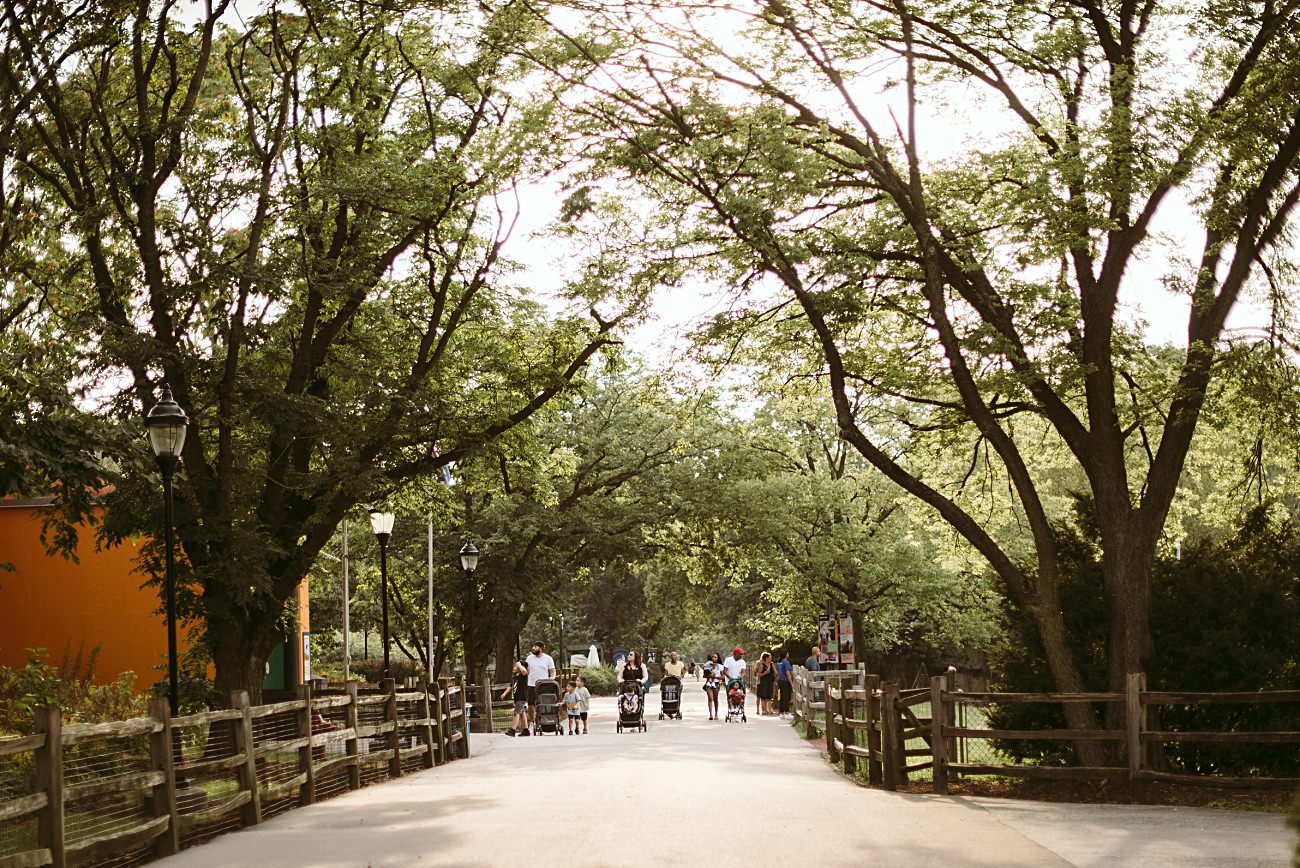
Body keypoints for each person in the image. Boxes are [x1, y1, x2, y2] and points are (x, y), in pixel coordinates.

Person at [525, 640, 557, 722]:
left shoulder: (548, 659)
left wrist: (552, 677)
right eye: (533, 646)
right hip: (531, 684)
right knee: (530, 704)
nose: (533, 648)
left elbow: (552, 671)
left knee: (543, 702)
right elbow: (526, 670)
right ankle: (532, 721)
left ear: (541, 648)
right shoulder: (529, 658)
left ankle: (544, 719)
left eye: (535, 647)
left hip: (544, 684)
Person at [499, 659, 530, 736]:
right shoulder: (515, 677)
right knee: (522, 713)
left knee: (516, 713)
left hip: (521, 697)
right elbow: (511, 686)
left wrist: (519, 664)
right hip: (517, 697)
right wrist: (504, 693)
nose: (515, 667)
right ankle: (526, 730)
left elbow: (524, 671)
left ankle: (513, 730)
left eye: (516, 666)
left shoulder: (524, 675)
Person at [702, 652, 723, 720]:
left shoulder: (720, 666)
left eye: (715, 657)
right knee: (710, 698)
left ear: (718, 658)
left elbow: (723, 677)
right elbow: (704, 676)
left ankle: (716, 714)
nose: (714, 658)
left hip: (716, 683)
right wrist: (709, 676)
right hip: (709, 683)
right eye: (713, 657)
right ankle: (711, 715)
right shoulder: (707, 665)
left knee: (715, 699)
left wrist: (717, 677)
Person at [755, 651, 776, 716]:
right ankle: (763, 710)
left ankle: (769, 710)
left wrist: (775, 678)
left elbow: (775, 672)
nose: (770, 659)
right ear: (766, 658)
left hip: (770, 682)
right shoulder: (761, 664)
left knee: (769, 696)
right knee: (763, 696)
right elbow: (758, 674)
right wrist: (765, 673)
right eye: (769, 657)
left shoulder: (772, 664)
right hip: (763, 682)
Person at [776, 649, 794, 719]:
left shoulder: (779, 663)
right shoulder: (786, 662)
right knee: (786, 697)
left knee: (782, 697)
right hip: (785, 681)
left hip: (780, 681)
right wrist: (791, 683)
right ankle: (786, 712)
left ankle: (781, 712)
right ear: (786, 654)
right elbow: (788, 673)